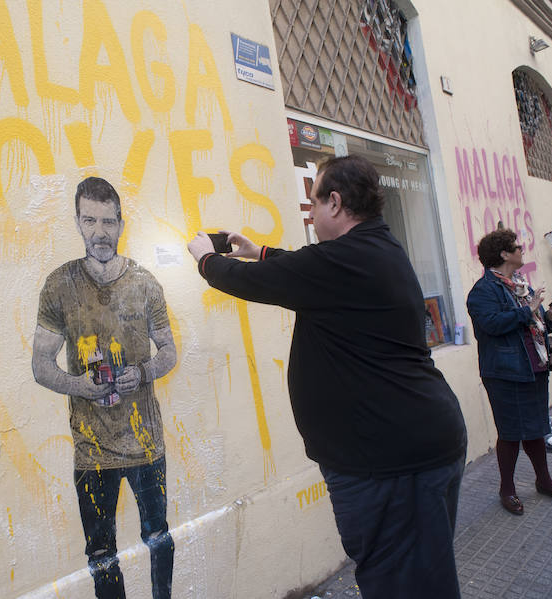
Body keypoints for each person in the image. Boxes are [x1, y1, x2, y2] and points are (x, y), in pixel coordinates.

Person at [186, 155, 468, 598]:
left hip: (393, 463)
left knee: (404, 585)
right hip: (405, 450)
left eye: (312, 203)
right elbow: (303, 270)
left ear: (334, 203)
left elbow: (261, 281)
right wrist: (258, 250)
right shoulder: (370, 250)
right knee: (416, 578)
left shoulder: (346, 261)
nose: (310, 213)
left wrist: (206, 259)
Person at [32, 176, 177, 599]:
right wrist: (78, 384)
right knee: (101, 554)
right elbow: (41, 365)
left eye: (108, 222)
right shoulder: (59, 286)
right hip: (91, 450)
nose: (100, 232)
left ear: (121, 224)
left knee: (159, 538)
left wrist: (145, 372)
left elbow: (169, 350)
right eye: (90, 220)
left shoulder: (146, 283)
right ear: (77, 222)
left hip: (146, 444)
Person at [466, 228, 552, 516]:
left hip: (534, 367)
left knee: (536, 429)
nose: (521, 249)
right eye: (516, 247)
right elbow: (491, 325)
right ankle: (507, 489)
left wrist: (549, 316)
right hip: (505, 372)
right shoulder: (483, 291)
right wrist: (529, 310)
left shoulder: (519, 285)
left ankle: (544, 481)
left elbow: (533, 325)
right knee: (511, 433)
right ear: (503, 254)